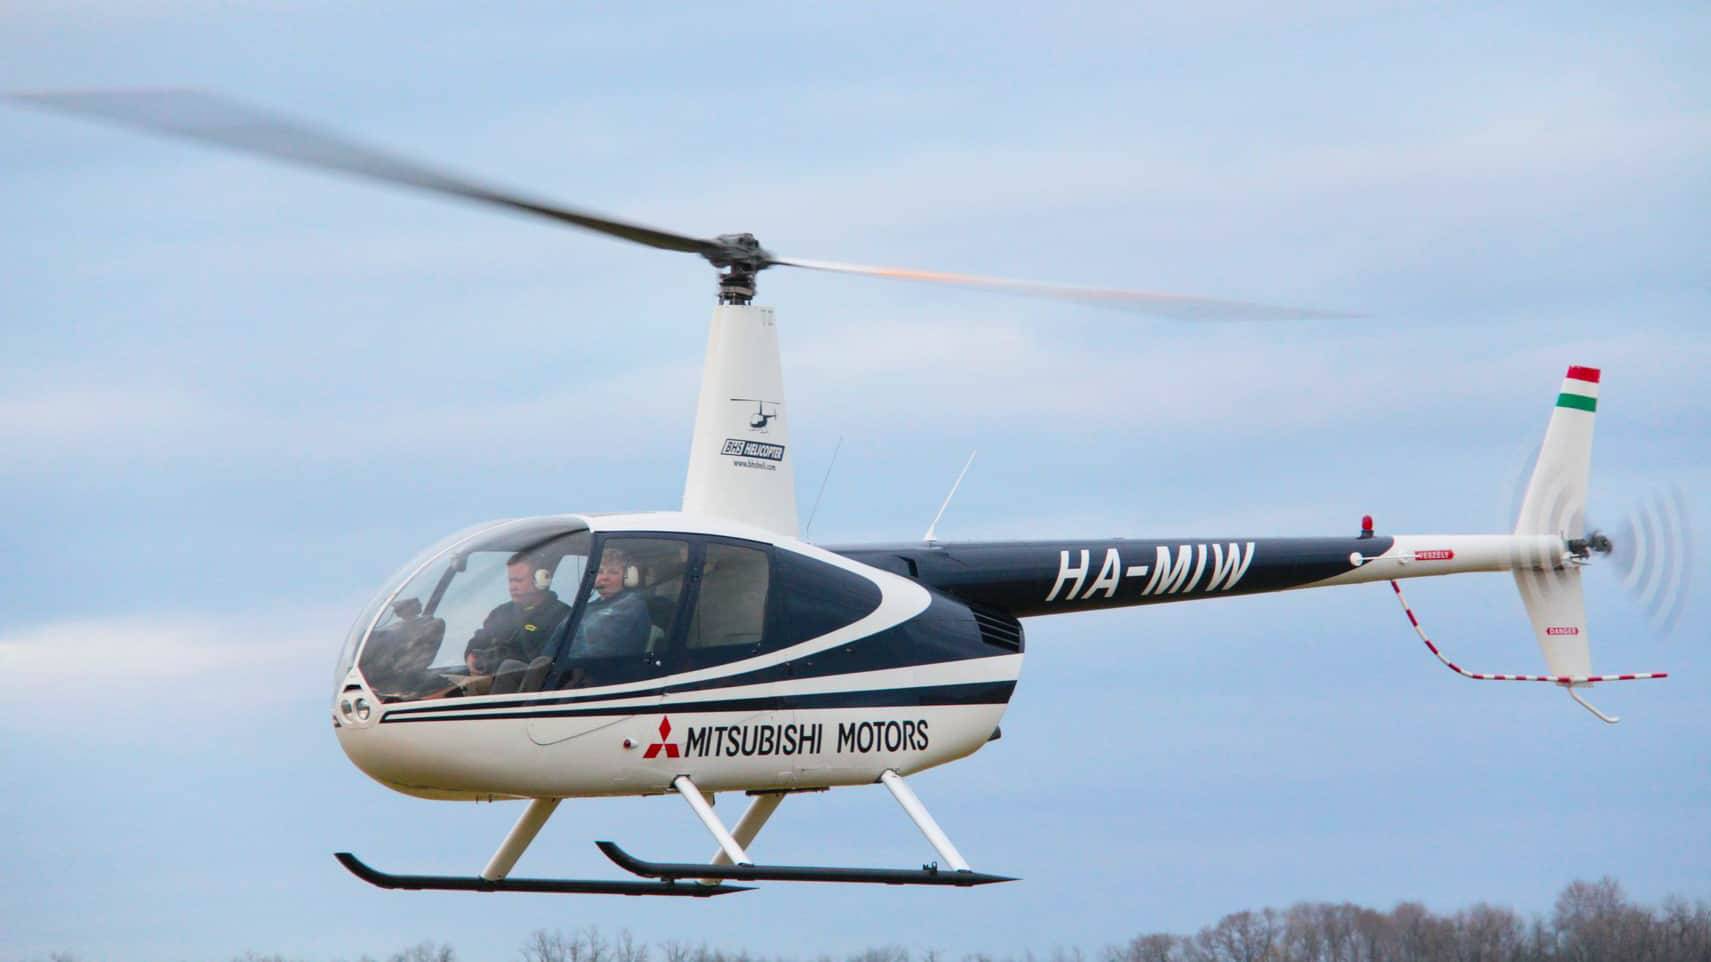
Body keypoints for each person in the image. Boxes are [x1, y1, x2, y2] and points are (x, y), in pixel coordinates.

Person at [462, 552, 573, 675]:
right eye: (510, 581)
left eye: (518, 581)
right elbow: (480, 639)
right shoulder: (501, 612)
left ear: (542, 580)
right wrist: (471, 655)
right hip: (492, 679)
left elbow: (540, 663)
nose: (512, 587)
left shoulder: (564, 617)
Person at [569, 547, 652, 659]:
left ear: (626, 577)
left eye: (613, 572)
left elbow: (600, 650)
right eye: (600, 571)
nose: (604, 577)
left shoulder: (631, 606)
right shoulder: (590, 606)